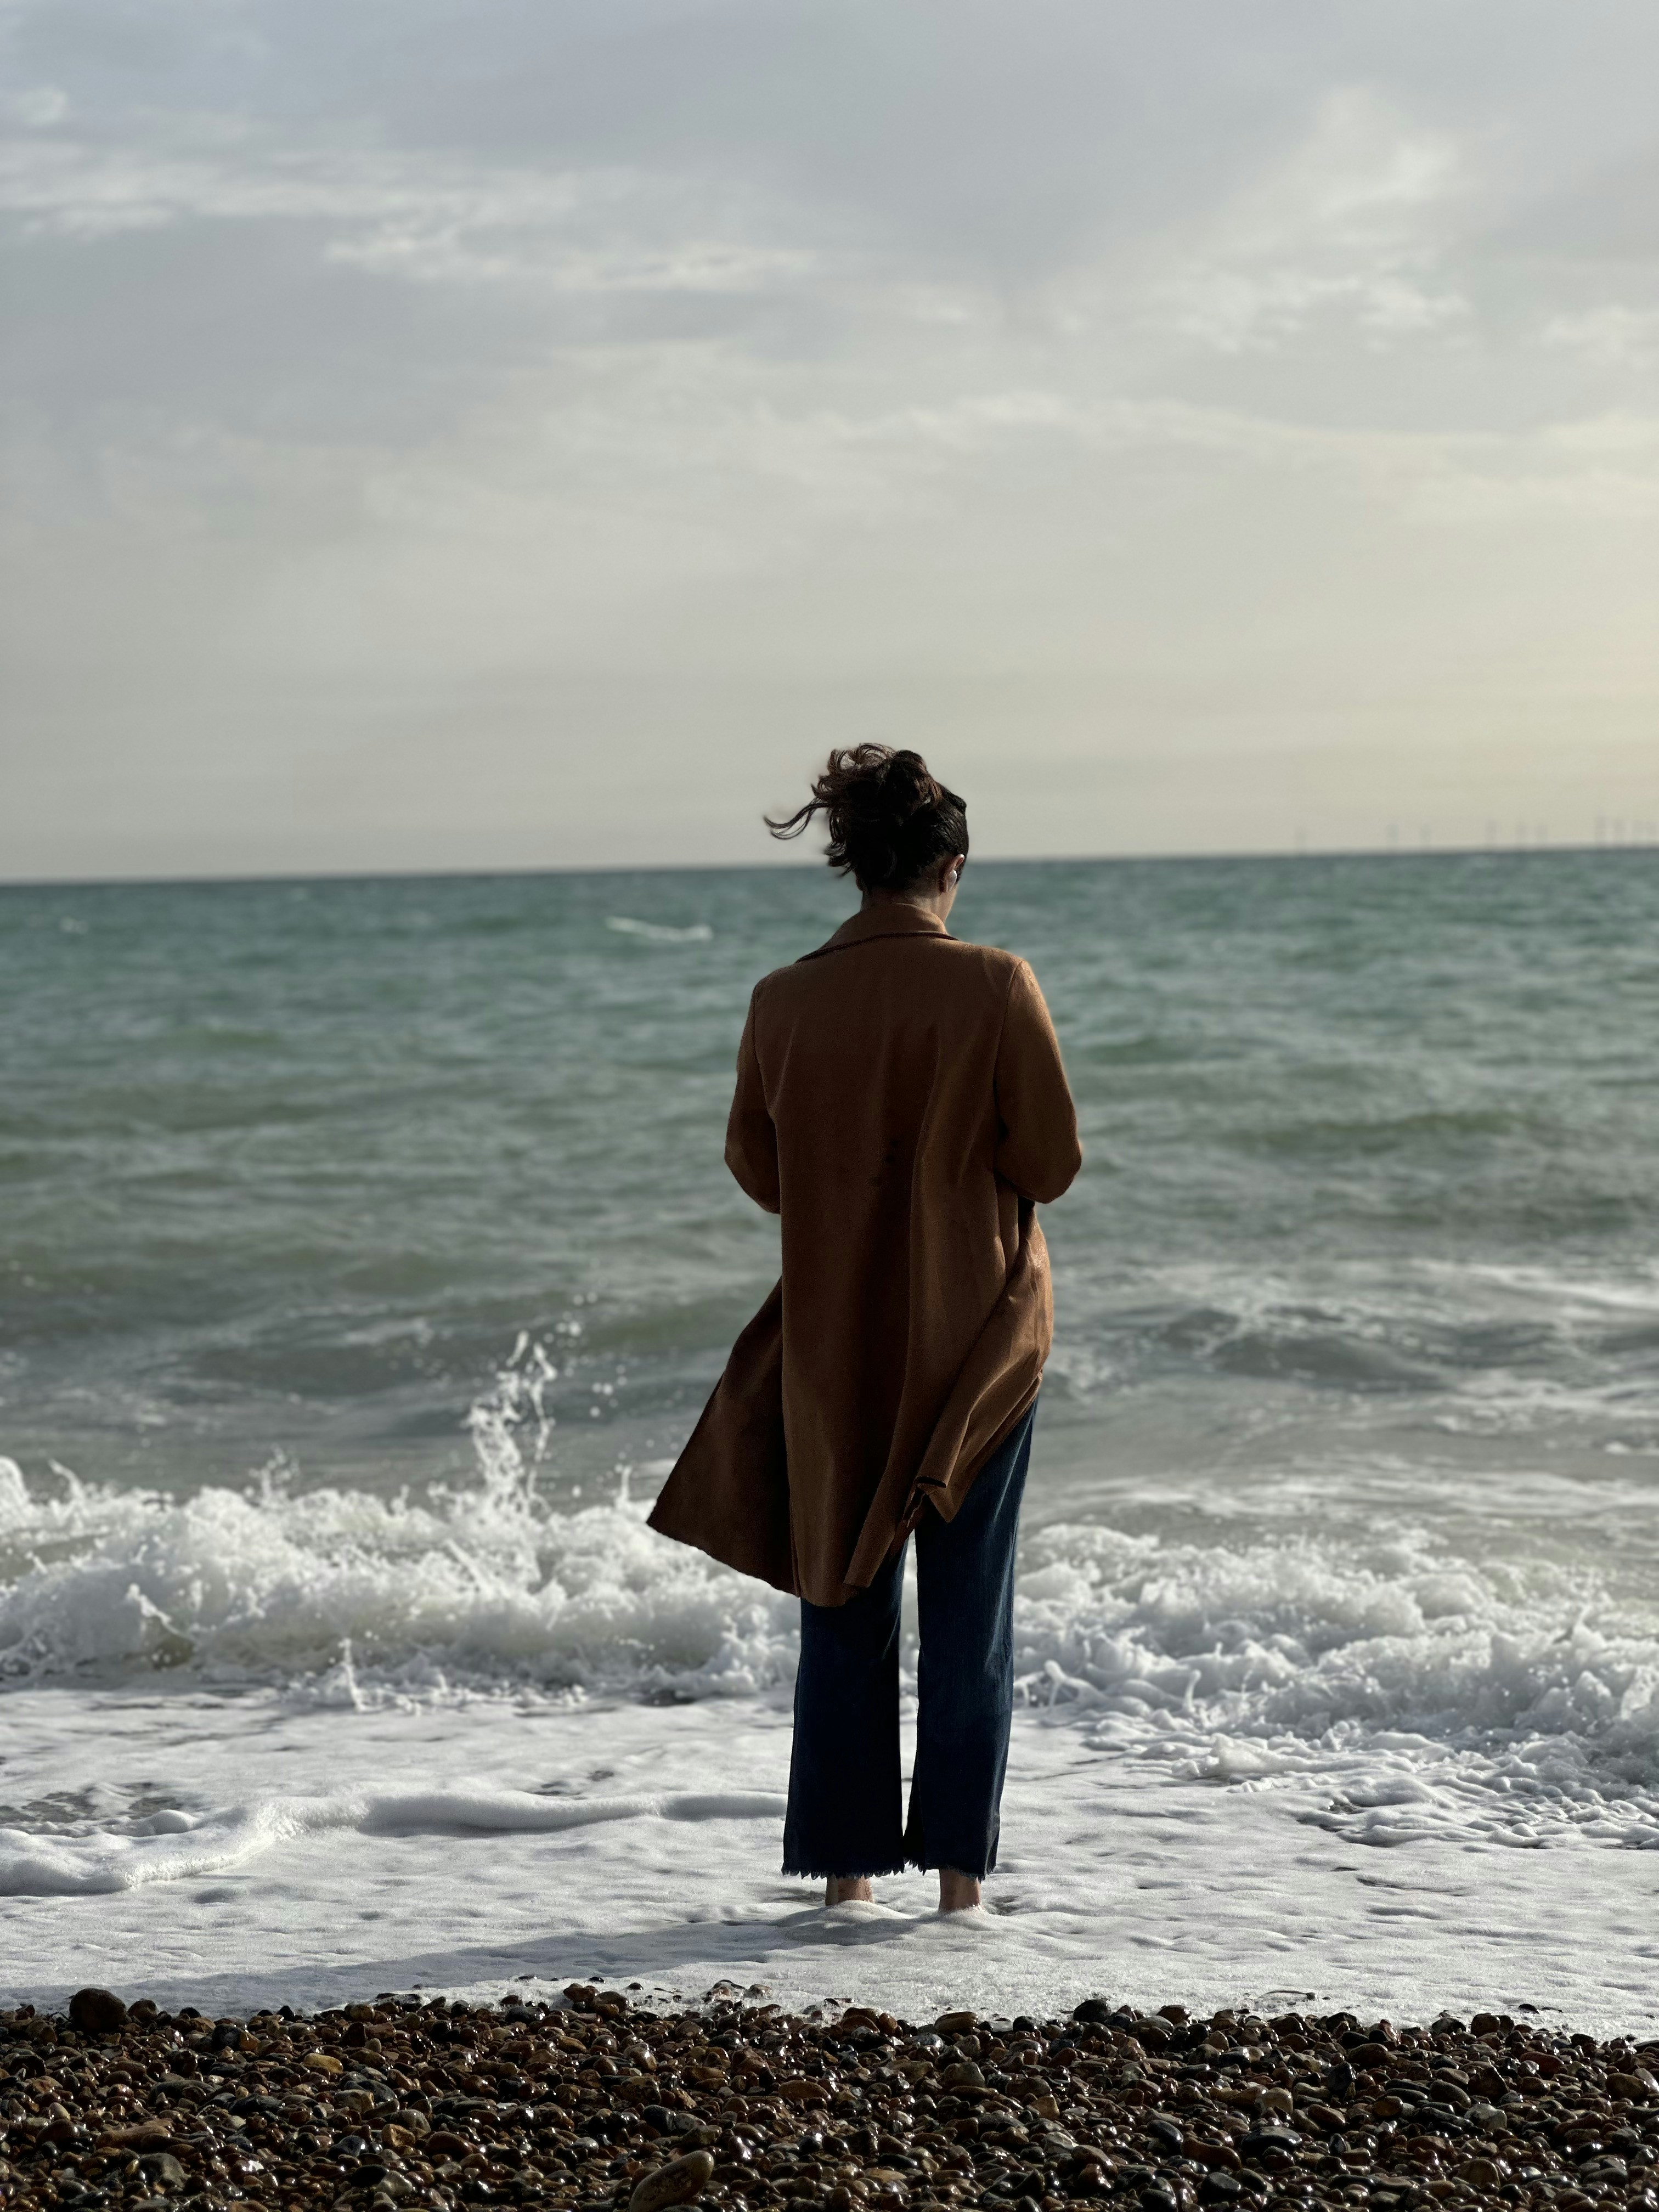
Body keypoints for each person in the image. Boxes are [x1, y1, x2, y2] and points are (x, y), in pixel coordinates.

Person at [648, 745, 1081, 1912]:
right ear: (951, 867)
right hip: (976, 1345)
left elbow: (759, 1167)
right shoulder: (996, 984)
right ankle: (958, 1890)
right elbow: (1052, 1162)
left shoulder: (781, 999)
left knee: (841, 1603)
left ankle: (844, 1882)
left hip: (834, 1349)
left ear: (856, 868)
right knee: (968, 1613)